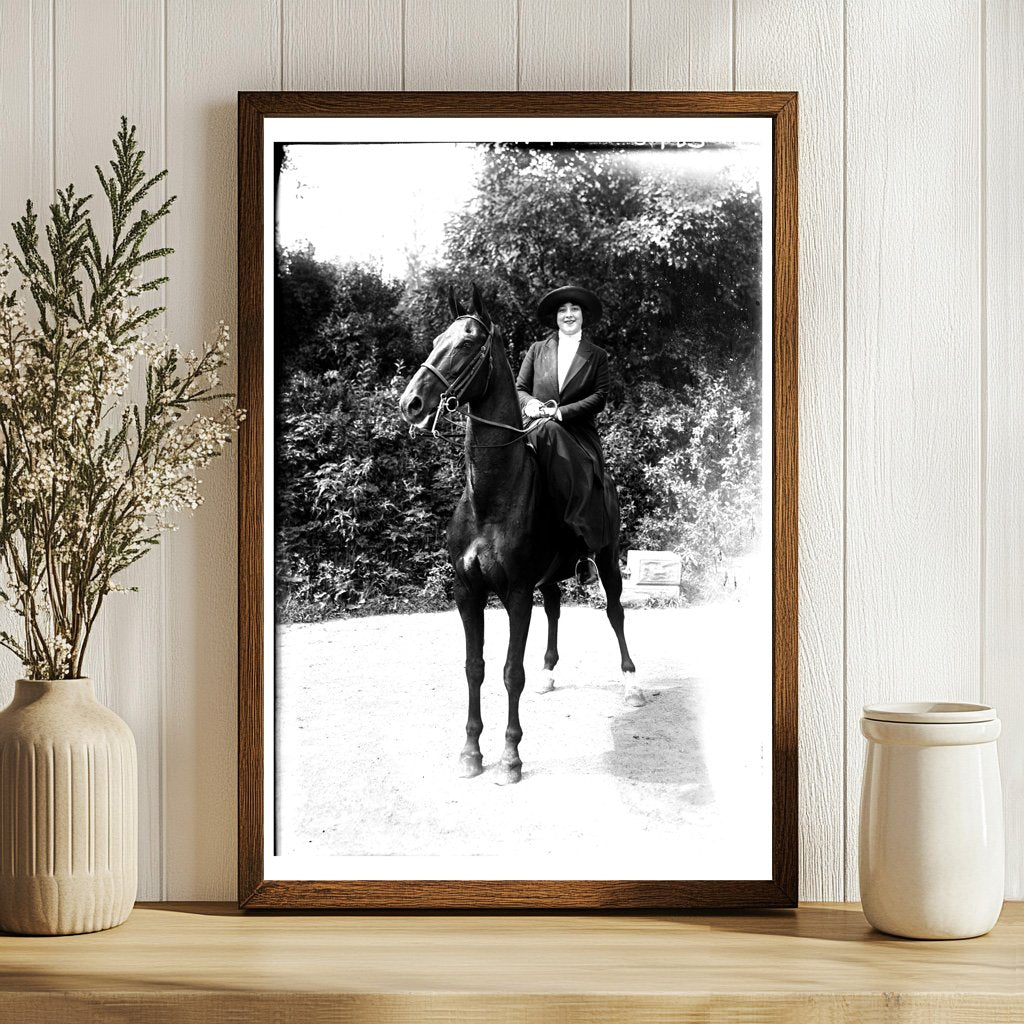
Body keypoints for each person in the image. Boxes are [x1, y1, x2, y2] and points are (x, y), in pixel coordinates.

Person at [516, 285, 614, 586]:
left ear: (583, 316)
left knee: (551, 432)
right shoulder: (537, 349)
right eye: (562, 310)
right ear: (555, 317)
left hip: (577, 433)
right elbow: (520, 389)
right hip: (536, 427)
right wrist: (531, 405)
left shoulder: (597, 356)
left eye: (574, 309)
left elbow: (599, 397)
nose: (568, 314)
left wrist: (560, 413)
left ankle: (583, 548)